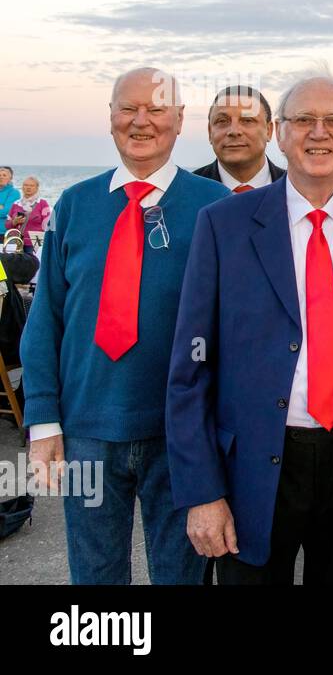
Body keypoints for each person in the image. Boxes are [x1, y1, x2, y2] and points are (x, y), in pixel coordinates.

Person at [167, 73, 333, 584]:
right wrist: (203, 493)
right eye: (303, 120)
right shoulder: (223, 225)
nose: (318, 133)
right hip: (251, 470)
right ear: (279, 132)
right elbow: (189, 371)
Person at [19, 67, 229, 584]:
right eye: (127, 109)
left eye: (156, 109)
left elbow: (234, 329)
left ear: (179, 120)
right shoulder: (74, 205)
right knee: (94, 575)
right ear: (110, 118)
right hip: (87, 427)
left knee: (182, 575)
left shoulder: (216, 208)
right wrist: (43, 421)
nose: (141, 121)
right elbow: (45, 316)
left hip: (179, 433)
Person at [192, 85, 286, 192]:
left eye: (247, 120)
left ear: (269, 131)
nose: (234, 131)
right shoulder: (185, 192)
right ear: (210, 132)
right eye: (222, 121)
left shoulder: (299, 189)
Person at [6, 176, 52, 255]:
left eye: (31, 186)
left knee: (33, 265)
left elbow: (50, 225)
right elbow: (7, 225)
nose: (28, 188)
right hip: (17, 242)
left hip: (35, 242)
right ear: (22, 187)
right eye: (26, 185)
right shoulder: (16, 203)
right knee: (17, 266)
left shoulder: (42, 203)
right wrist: (14, 222)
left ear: (37, 188)